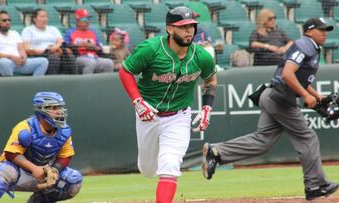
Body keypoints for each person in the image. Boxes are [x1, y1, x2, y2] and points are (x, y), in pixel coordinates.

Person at [202, 17, 338, 201]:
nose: (325, 33)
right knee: (308, 138)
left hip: (274, 96)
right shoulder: (305, 45)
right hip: (281, 98)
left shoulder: (312, 48)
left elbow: (300, 79)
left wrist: (317, 95)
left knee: (263, 141)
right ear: (309, 31)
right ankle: (315, 185)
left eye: (326, 30)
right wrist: (306, 97)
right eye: (321, 29)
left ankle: (217, 152)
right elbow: (287, 74)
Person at [119, 6, 217, 203]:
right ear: (170, 29)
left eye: (192, 26)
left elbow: (211, 81)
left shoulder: (202, 56)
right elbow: (125, 71)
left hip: (178, 117)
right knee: (147, 169)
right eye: (183, 26)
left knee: (170, 164)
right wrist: (138, 102)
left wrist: (207, 107)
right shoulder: (151, 49)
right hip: (148, 114)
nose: (189, 30)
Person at [0, 92, 82, 203]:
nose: (59, 111)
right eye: (54, 108)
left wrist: (55, 169)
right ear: (41, 110)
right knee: (7, 171)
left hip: (42, 174)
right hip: (17, 174)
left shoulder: (64, 131)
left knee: (74, 180)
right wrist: (34, 169)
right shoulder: (25, 127)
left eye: (60, 107)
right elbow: (10, 154)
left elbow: (66, 156)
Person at [0, 10, 48, 76]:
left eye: (9, 20)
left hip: (19, 62)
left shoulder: (14, 33)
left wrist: (23, 58)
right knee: (4, 62)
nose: (7, 22)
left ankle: (34, 85)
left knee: (43, 61)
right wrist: (11, 57)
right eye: (4, 20)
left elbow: (21, 49)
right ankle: (11, 85)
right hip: (3, 63)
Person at [21, 8, 77, 75]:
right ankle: (51, 82)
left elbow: (60, 41)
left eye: (46, 17)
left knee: (70, 57)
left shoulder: (53, 29)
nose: (45, 19)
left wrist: (54, 48)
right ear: (34, 19)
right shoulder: (28, 30)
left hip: (55, 51)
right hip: (39, 53)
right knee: (54, 59)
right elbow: (27, 49)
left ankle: (73, 81)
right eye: (42, 17)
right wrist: (47, 50)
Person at [64, 8, 114, 74]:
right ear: (77, 21)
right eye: (85, 19)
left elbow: (100, 48)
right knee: (90, 63)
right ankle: (86, 83)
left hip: (94, 57)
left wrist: (93, 46)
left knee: (108, 63)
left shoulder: (92, 32)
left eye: (88, 19)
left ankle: (106, 83)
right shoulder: (70, 32)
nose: (87, 21)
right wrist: (81, 45)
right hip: (79, 57)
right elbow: (65, 46)